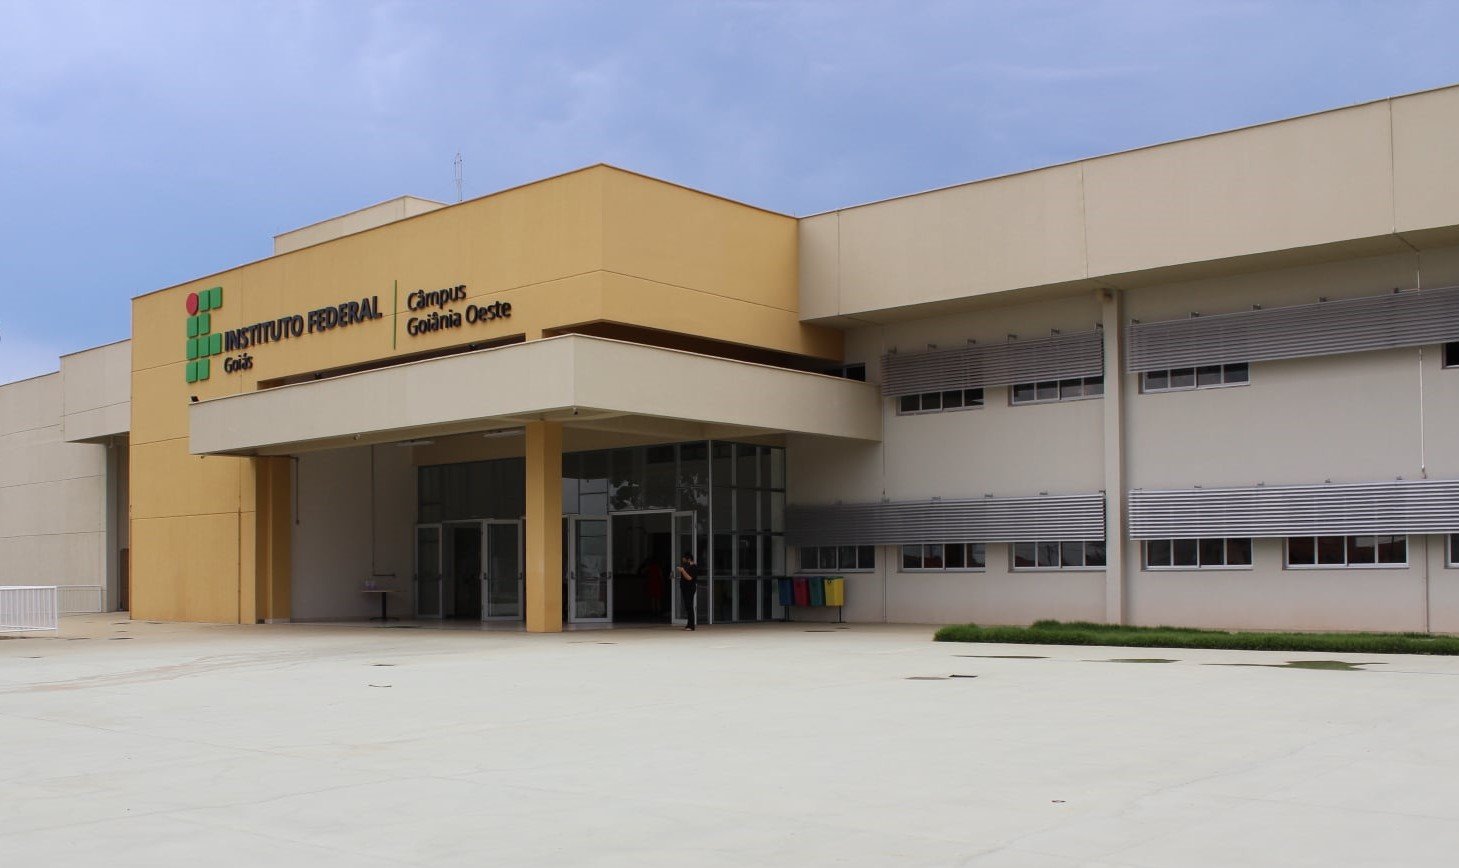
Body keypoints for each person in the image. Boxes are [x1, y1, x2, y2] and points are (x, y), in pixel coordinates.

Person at [675, 552, 699, 631]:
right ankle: (688, 624)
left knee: (689, 606)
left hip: (690, 589)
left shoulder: (693, 567)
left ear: (689, 559)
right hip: (685, 589)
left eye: (684, 559)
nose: (683, 560)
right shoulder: (686, 566)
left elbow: (689, 578)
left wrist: (682, 571)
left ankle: (691, 626)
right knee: (687, 606)